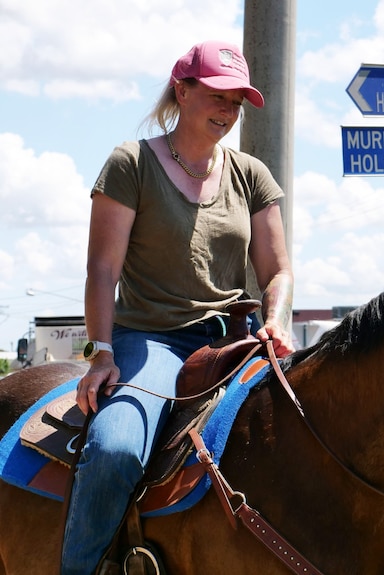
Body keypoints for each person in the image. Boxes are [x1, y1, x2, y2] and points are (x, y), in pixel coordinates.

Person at [62, 40, 295, 575]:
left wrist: (277, 320)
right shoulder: (131, 163)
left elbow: (277, 271)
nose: (229, 111)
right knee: (117, 449)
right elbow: (102, 270)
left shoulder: (252, 175)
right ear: (182, 90)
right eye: (218, 95)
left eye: (238, 101)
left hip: (238, 341)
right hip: (153, 342)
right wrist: (102, 354)